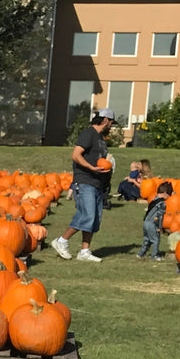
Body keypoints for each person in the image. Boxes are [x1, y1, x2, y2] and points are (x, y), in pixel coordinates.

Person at [52, 108, 115, 263]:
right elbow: (76, 154)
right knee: (87, 215)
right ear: (106, 120)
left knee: (94, 219)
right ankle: (61, 240)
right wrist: (91, 167)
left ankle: (84, 251)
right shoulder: (89, 133)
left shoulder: (101, 138)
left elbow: (101, 160)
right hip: (85, 180)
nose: (112, 125)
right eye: (112, 122)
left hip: (97, 182)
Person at [137, 181, 173, 261]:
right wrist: (159, 227)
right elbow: (160, 216)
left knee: (147, 239)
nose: (169, 197)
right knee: (155, 240)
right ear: (165, 193)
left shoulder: (154, 200)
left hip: (146, 222)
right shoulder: (162, 204)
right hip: (152, 224)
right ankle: (155, 255)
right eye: (169, 194)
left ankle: (140, 254)